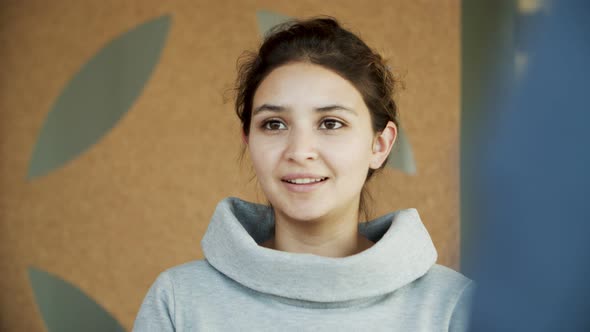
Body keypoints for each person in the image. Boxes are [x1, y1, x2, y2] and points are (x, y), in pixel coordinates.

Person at [133, 17, 473, 331]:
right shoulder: (178, 302)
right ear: (248, 141)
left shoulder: (454, 307)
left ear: (380, 145)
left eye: (330, 123)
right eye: (274, 124)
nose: (299, 151)